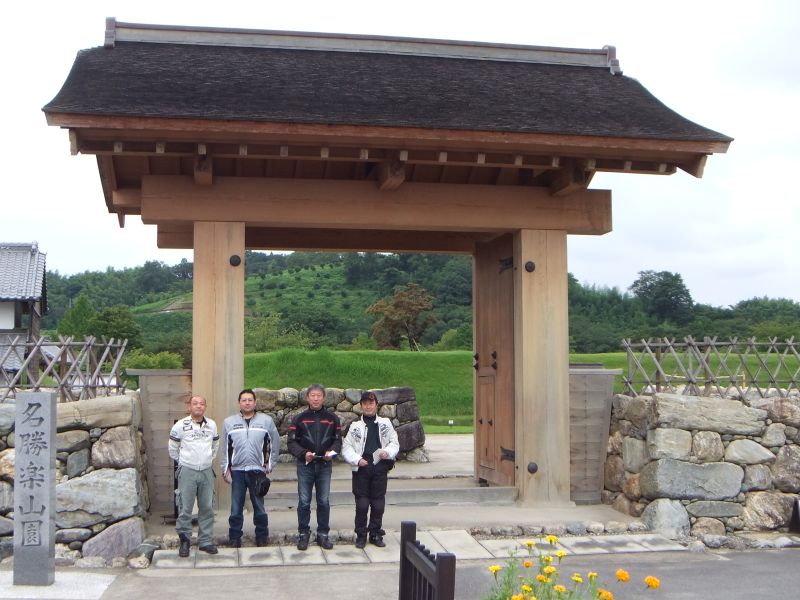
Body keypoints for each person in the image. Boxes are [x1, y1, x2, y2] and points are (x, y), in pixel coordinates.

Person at [221, 388, 280, 547]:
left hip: (257, 471)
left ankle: (262, 536)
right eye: (244, 400)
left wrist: (270, 463)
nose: (247, 403)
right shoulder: (229, 422)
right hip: (237, 471)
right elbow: (225, 448)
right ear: (239, 403)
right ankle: (234, 537)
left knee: (259, 506)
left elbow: (275, 443)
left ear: (255, 402)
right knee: (236, 508)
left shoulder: (266, 421)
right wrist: (225, 469)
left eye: (250, 400)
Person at [287, 383, 342, 550]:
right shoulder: (299, 418)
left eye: (319, 396)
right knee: (304, 502)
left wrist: (331, 453)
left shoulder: (332, 418)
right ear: (307, 398)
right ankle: (303, 534)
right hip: (305, 465)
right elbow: (291, 442)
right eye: (313, 396)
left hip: (324, 465)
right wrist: (304, 453)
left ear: (324, 398)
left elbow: (338, 441)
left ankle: (323, 534)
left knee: (323, 501)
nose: (316, 399)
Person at [342, 390, 400, 548]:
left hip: (380, 465)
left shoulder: (386, 423)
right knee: (362, 504)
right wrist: (357, 459)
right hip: (362, 466)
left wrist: (387, 452)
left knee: (378, 504)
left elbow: (394, 443)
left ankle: (375, 534)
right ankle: (361, 535)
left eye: (371, 403)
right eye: (365, 404)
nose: (368, 407)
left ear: (376, 405)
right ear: (361, 406)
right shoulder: (354, 426)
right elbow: (346, 447)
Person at [168, 394, 220, 557]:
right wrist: (185, 462)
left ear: (205, 407)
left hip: (206, 471)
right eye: (195, 403)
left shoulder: (211, 425)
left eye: (202, 404)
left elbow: (215, 445)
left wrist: (207, 460)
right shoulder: (180, 425)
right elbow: (173, 448)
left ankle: (205, 541)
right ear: (189, 407)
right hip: (187, 471)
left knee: (207, 507)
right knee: (185, 508)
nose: (198, 406)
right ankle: (185, 541)